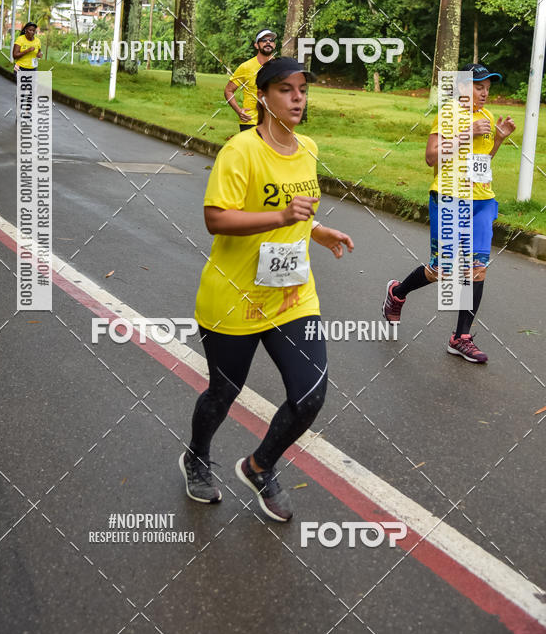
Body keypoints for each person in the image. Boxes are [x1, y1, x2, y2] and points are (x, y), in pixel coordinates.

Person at [180, 57, 354, 521]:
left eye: (303, 89)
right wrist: (280, 217)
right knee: (223, 392)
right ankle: (197, 455)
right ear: (262, 97)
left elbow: (301, 211)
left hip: (293, 298)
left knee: (310, 394)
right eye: (285, 90)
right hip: (233, 297)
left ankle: (259, 466)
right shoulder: (240, 151)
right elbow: (216, 218)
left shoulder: (309, 148)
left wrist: (320, 231)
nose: (298, 98)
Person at [382, 63, 516, 364]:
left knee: (477, 267)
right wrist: (466, 133)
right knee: (442, 270)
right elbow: (431, 158)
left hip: (482, 200)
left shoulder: (486, 116)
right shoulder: (449, 114)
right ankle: (397, 293)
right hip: (449, 197)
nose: (484, 93)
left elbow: (483, 161)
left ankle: (460, 337)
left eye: (487, 88)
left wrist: (497, 140)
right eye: (478, 86)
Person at [224, 29, 277, 131]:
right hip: (250, 122)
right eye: (263, 40)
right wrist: (239, 111)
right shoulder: (246, 67)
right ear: (256, 45)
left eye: (271, 40)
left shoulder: (280, 67)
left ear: (274, 45)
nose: (268, 42)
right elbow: (228, 90)